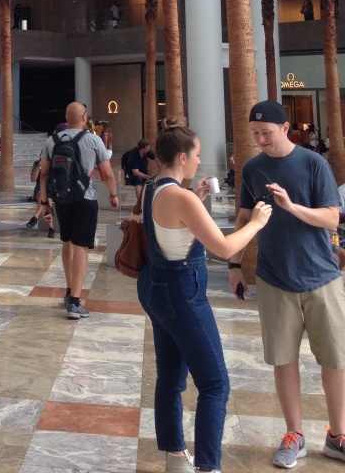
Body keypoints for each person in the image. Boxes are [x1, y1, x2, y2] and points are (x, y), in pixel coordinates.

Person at [139, 119, 271, 473]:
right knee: (215, 384)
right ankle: (208, 466)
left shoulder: (153, 187)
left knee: (169, 377)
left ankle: (175, 458)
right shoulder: (180, 197)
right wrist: (256, 223)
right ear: (182, 157)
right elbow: (225, 247)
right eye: (196, 155)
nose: (199, 161)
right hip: (183, 293)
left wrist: (196, 199)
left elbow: (172, 226)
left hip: (155, 287)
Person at [229, 99, 345, 469]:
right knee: (283, 359)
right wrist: (234, 263)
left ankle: (337, 434)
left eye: (265, 132)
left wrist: (292, 207)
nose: (260, 139)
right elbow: (245, 216)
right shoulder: (252, 168)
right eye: (254, 134)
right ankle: (294, 434)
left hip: (321, 277)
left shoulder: (314, 164)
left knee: (335, 359)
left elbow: (331, 217)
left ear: (284, 128)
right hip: (274, 277)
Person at [40, 101, 119, 320]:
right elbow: (108, 173)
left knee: (67, 242)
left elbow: (44, 174)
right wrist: (113, 195)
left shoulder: (52, 140)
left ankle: (68, 290)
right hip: (86, 199)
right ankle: (75, 302)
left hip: (61, 199)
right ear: (84, 117)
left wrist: (45, 200)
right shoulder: (93, 140)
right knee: (81, 247)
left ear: (66, 118)